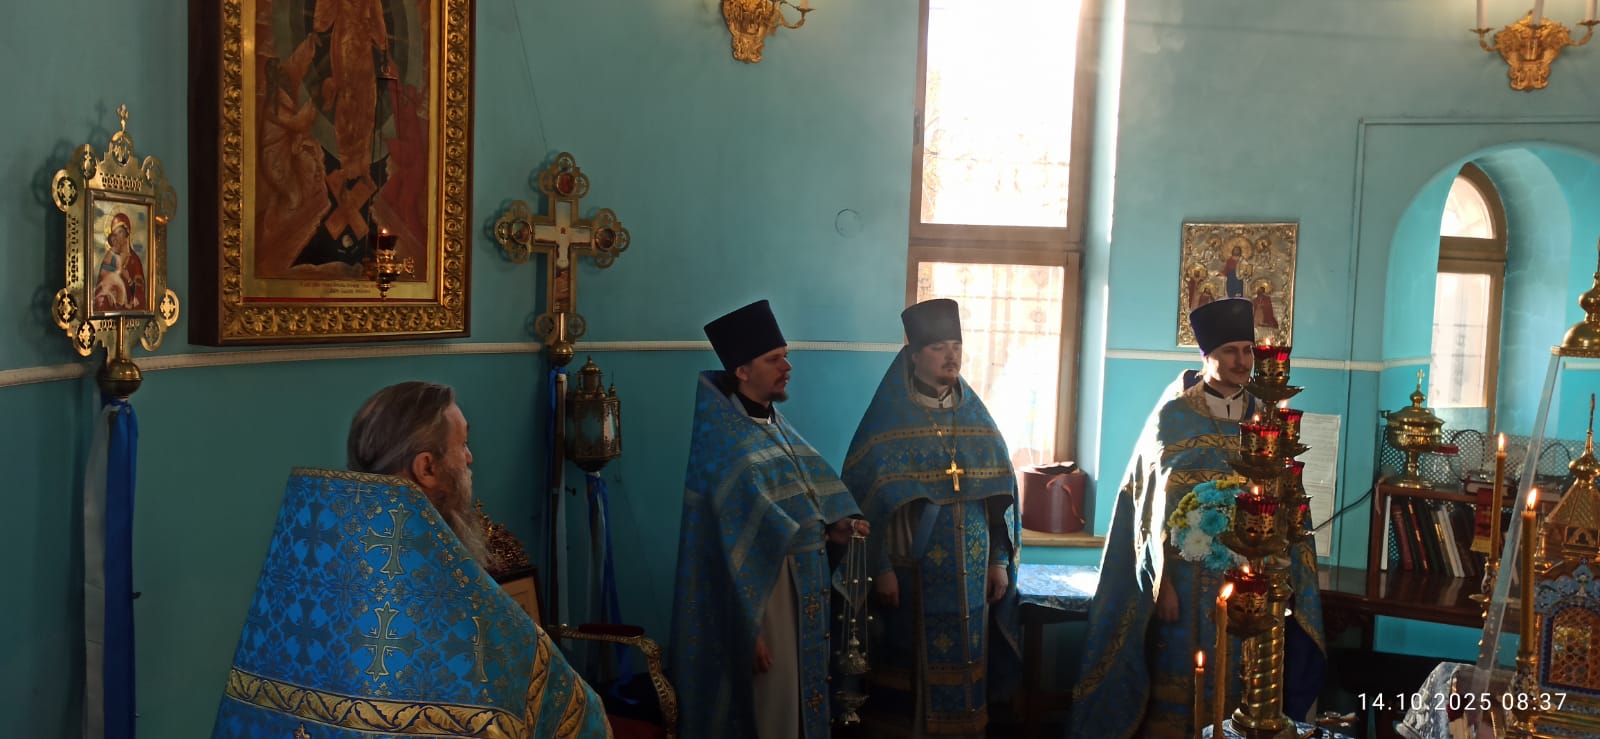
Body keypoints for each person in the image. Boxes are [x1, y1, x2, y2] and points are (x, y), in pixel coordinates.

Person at [211, 381, 612, 738]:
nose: (470, 458)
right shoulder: (445, 599)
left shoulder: (312, 564)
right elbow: (570, 707)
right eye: (462, 445)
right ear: (427, 467)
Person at [1069, 298, 1325, 739]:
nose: (1242, 361)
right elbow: (1147, 512)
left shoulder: (1268, 421)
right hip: (1184, 587)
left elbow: (1289, 503)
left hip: (1250, 586)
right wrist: (1162, 585)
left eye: (1248, 351)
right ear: (1206, 356)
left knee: (1244, 690)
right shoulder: (1173, 418)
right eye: (1230, 351)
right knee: (1180, 687)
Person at [668, 299, 869, 739]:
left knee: (804, 701)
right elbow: (721, 549)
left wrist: (835, 527)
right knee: (776, 706)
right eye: (774, 359)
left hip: (804, 587)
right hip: (767, 598)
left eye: (785, 356)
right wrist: (748, 627)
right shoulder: (727, 445)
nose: (787, 367)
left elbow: (802, 501)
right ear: (742, 370)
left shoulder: (776, 424)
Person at [841, 298, 1021, 737]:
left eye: (956, 346)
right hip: (911, 574)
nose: (951, 356)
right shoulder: (887, 422)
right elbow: (865, 505)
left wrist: (998, 560)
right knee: (907, 670)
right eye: (939, 347)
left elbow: (998, 502)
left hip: (972, 575)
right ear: (914, 355)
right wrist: (880, 569)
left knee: (969, 662)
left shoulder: (976, 419)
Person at [95, 213, 146, 311]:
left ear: (127, 232)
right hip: (110, 308)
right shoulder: (109, 256)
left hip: (128, 310)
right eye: (115, 234)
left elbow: (140, 295)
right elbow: (100, 288)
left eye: (120, 232)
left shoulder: (134, 261)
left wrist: (129, 280)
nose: (117, 237)